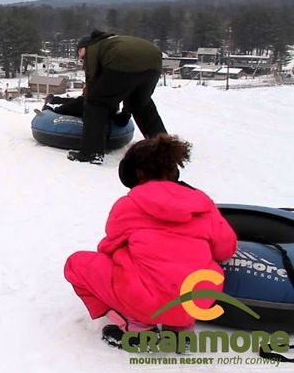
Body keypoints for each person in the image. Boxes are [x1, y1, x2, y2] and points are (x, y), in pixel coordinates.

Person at [64, 135, 237, 348]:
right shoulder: (203, 204)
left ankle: (136, 326)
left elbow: (107, 248)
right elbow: (226, 249)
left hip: (146, 304)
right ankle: (180, 330)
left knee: (77, 264)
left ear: (136, 174)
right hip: (196, 303)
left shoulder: (129, 204)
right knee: (199, 267)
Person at [68, 30, 167, 164]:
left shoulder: (92, 48)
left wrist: (89, 100)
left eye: (79, 53)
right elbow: (123, 88)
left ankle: (92, 152)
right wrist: (125, 114)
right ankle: (165, 149)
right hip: (154, 60)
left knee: (95, 103)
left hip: (124, 60)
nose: (81, 58)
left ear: (84, 47)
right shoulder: (111, 42)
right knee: (142, 104)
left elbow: (93, 83)